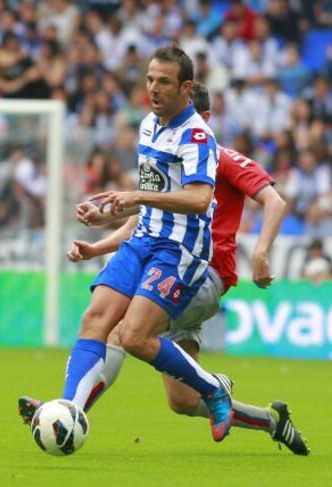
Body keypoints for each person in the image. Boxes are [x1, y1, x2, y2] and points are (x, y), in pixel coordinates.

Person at [19, 82, 309, 455]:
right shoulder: (172, 158)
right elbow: (149, 219)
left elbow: (275, 201)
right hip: (170, 263)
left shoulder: (223, 158)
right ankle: (272, 420)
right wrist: (99, 247)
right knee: (184, 402)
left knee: (123, 328)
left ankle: (68, 411)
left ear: (202, 119)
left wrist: (261, 253)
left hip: (204, 274)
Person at [20, 46, 235, 442]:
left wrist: (136, 196)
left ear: (185, 87)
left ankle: (212, 389)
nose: (153, 88)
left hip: (179, 250)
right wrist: (109, 215)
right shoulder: (148, 125)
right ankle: (68, 410)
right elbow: (154, 193)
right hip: (143, 239)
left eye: (164, 82)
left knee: (135, 336)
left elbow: (198, 199)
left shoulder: (197, 135)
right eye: (150, 79)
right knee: (95, 319)